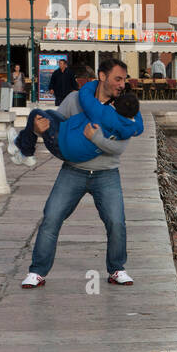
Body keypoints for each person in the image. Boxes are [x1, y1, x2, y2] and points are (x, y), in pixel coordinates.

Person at [20, 58, 141, 290]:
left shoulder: (123, 106)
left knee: (116, 222)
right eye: (118, 78)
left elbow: (120, 148)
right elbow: (59, 131)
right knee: (51, 218)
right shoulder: (74, 100)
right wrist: (39, 130)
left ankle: (117, 269)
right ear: (102, 76)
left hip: (107, 173)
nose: (122, 84)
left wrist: (95, 139)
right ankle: (37, 272)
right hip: (73, 171)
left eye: (124, 79)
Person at [9, 83, 142, 167]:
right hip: (72, 143)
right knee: (49, 113)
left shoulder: (102, 113)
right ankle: (19, 141)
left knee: (36, 114)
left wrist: (98, 83)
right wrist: (132, 106)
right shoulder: (132, 127)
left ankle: (26, 153)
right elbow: (139, 122)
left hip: (62, 145)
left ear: (113, 104)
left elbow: (84, 94)